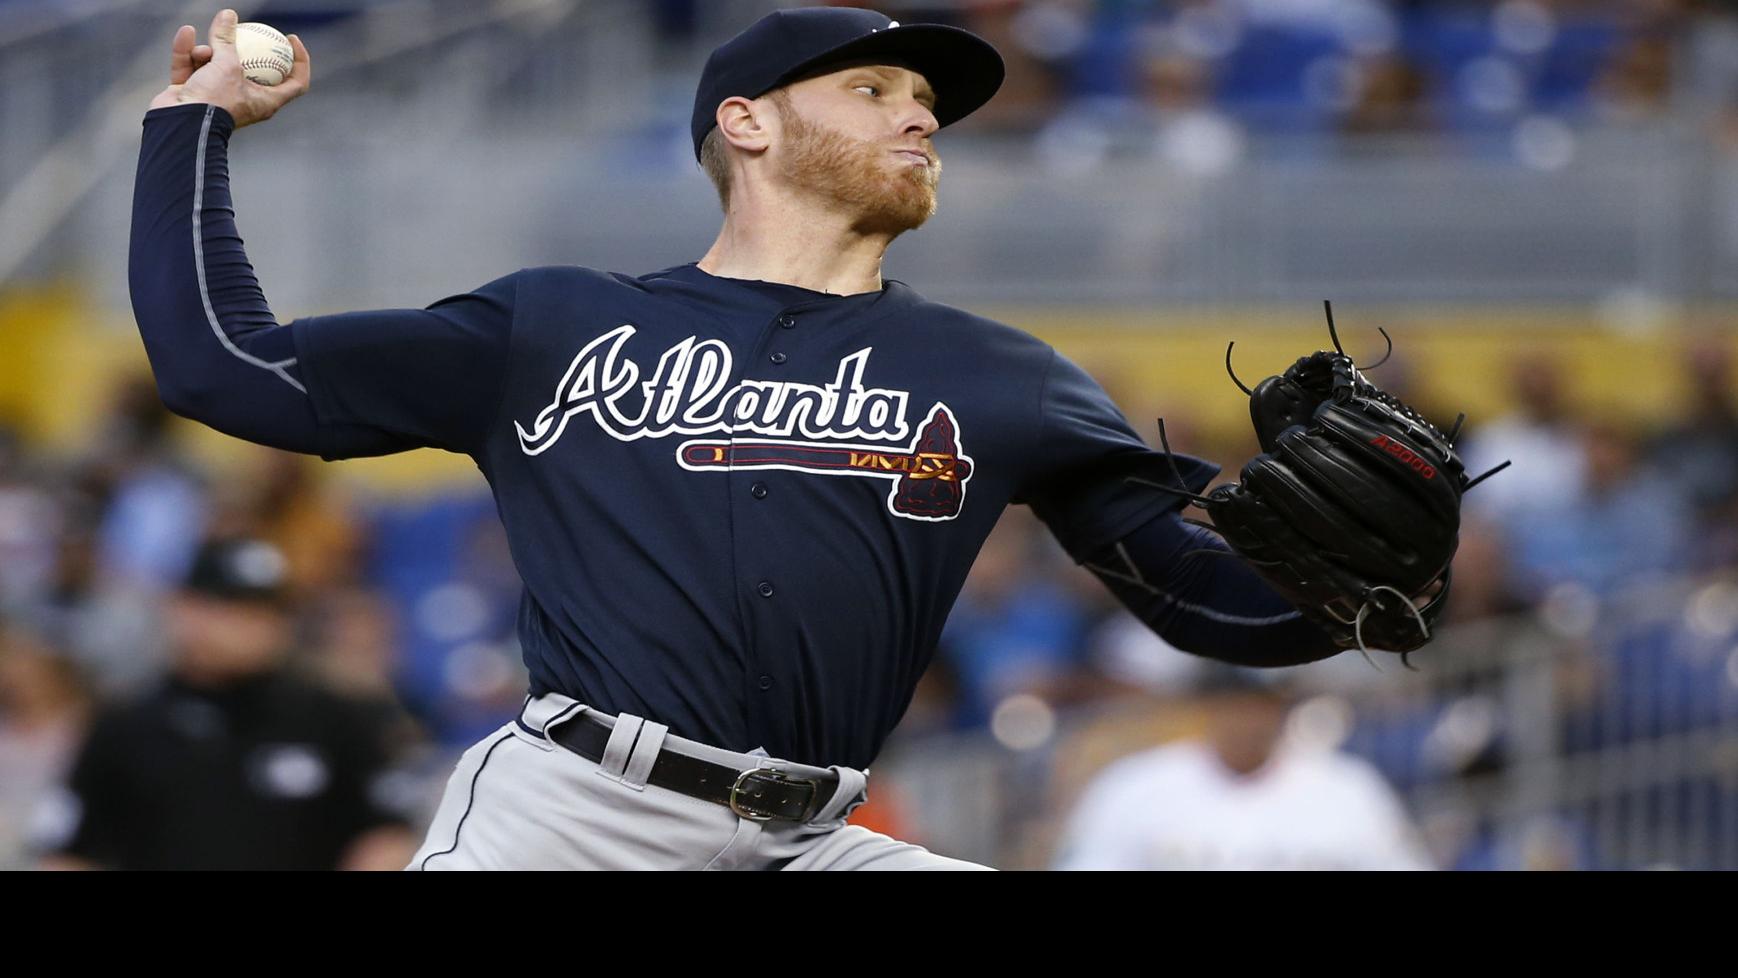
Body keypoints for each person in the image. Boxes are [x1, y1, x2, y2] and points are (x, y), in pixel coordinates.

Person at [129, 8, 1348, 871]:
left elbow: (1208, 605)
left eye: (927, 105)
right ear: (747, 124)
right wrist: (192, 130)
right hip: (572, 824)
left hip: (814, 839)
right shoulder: (555, 323)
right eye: (874, 91)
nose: (919, 118)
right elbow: (225, 369)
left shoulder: (1001, 376)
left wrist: (1371, 575)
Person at [37, 537, 417, 870]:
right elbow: (68, 851)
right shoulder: (125, 725)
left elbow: (387, 835)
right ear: (181, 608)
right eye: (227, 606)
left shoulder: (335, 718)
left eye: (265, 611)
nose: (246, 626)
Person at [1053, 668, 1432, 871]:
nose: (1247, 720)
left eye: (1260, 705)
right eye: (1234, 704)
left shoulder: (1348, 787)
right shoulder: (1134, 785)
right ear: (1207, 708)